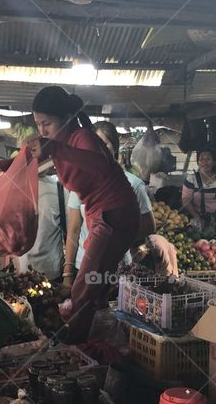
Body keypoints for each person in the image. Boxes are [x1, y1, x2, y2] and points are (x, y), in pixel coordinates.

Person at [25, 88, 140, 343]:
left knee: (84, 285)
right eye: (38, 124)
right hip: (101, 216)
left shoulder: (82, 138)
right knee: (95, 287)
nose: (42, 130)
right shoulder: (60, 146)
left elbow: (100, 165)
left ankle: (73, 348)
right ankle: (99, 343)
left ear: (66, 118)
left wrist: (54, 148)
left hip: (116, 215)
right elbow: (25, 163)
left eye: (47, 123)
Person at [64, 120, 154, 284]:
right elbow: (74, 230)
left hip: (117, 267)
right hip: (83, 265)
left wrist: (118, 237)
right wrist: (67, 274)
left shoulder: (133, 184)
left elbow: (149, 225)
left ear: (115, 148)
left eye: (104, 144)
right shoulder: (79, 183)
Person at [17, 172, 66, 280]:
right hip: (46, 270)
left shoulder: (59, 188)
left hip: (48, 271)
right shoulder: (59, 188)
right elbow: (72, 231)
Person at [180, 146, 216, 231]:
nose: (204, 162)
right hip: (194, 220)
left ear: (214, 162)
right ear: (198, 162)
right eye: (201, 159)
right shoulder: (191, 179)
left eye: (208, 159)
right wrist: (196, 217)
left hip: (214, 220)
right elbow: (185, 200)